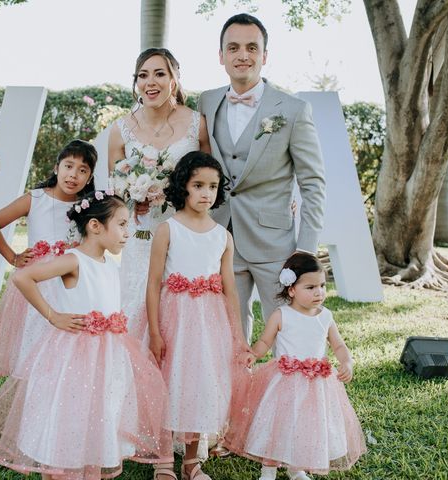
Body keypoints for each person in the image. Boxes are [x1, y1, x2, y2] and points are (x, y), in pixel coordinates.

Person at [0, 192, 174, 479]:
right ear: (95, 226)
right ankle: (56, 467)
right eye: (120, 225)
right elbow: (23, 277)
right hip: (75, 353)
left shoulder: (110, 264)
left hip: (107, 353)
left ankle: (87, 464)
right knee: (69, 409)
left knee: (98, 409)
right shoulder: (73, 260)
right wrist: (52, 315)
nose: (126, 233)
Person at [198, 13, 326, 343]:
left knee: (291, 334)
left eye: (252, 47)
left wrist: (306, 253)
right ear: (221, 55)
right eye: (234, 47)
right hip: (221, 239)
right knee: (229, 335)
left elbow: (313, 184)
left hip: (276, 246)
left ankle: (296, 394)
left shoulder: (294, 110)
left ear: (265, 56)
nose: (243, 55)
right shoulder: (207, 101)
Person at [146, 152, 250, 480]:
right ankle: (163, 458)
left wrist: (238, 335)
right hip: (172, 318)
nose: (206, 193)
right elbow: (153, 284)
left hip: (209, 322)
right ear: (183, 187)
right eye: (198, 185)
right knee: (169, 381)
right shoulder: (168, 230)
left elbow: (230, 289)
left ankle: (192, 461)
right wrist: (154, 331)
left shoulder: (223, 236)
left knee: (199, 384)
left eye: (213, 186)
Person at [224, 253, 366, 480]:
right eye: (310, 287)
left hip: (315, 384)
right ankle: (268, 469)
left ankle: (296, 467)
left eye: (322, 286)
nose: (318, 292)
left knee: (305, 426)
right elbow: (265, 341)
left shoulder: (325, 316)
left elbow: (338, 345)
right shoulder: (282, 315)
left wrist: (346, 360)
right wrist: (254, 354)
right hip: (285, 381)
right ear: (292, 290)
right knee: (278, 424)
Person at [108, 48, 211, 334]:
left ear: (174, 79)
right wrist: (132, 199)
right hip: (141, 236)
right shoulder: (121, 130)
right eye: (143, 75)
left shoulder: (197, 124)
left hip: (185, 232)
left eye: (159, 74)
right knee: (137, 304)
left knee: (181, 309)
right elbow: (116, 190)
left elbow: (209, 180)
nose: (150, 82)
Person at [0, 139, 97, 376]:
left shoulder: (88, 206)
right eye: (68, 166)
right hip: (38, 283)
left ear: (89, 177)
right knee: (34, 339)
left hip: (72, 281)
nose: (73, 175)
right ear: (57, 168)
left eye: (82, 170)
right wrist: (12, 258)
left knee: (67, 342)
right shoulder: (36, 199)